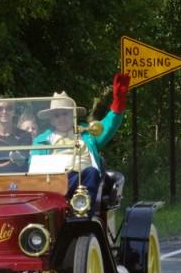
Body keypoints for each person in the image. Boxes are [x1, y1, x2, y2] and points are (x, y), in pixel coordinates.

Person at [32, 73, 130, 211]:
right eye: (57, 115)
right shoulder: (40, 141)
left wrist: (118, 104)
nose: (61, 118)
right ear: (51, 119)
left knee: (91, 172)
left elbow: (107, 126)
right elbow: (34, 169)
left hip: (81, 181)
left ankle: (83, 209)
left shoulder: (87, 133)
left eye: (65, 114)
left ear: (73, 116)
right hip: (52, 184)